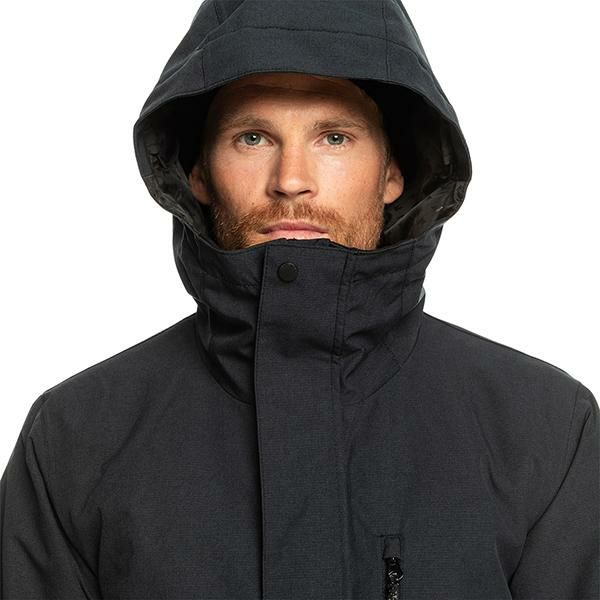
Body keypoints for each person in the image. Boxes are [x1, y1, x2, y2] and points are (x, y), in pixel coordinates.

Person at [1, 0, 598, 598]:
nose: (290, 179)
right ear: (198, 172)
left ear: (393, 172)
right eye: (253, 137)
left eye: (334, 137)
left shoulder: (543, 431)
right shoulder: (77, 437)